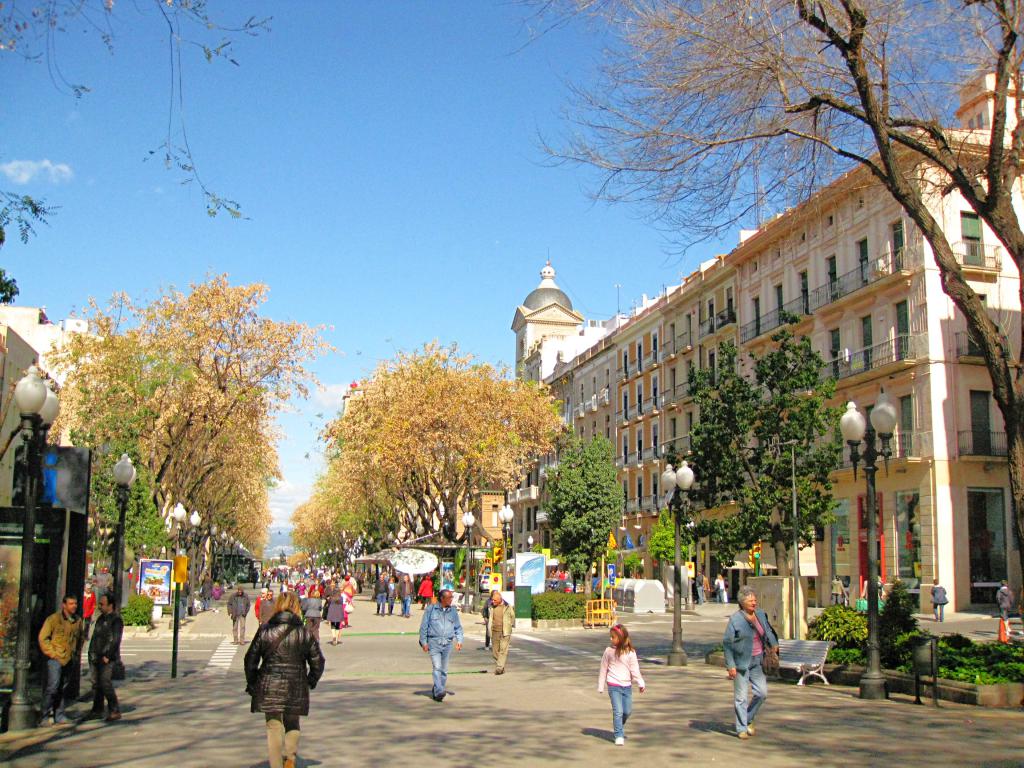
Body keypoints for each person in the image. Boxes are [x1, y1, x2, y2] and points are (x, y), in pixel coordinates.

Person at [245, 592, 325, 768]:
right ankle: (290, 757)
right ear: (297, 607)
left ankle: (276, 765)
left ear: (277, 606)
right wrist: (310, 680)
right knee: (292, 722)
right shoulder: (304, 633)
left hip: (269, 685)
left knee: (273, 727)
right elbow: (318, 661)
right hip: (295, 685)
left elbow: (250, 659)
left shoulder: (265, 630)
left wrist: (252, 682)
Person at [723, 586, 778, 740]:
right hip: (741, 663)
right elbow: (727, 643)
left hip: (758, 660)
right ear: (742, 602)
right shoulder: (736, 619)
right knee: (741, 698)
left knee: (762, 693)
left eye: (755, 599)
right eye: (750, 600)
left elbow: (767, 630)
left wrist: (773, 643)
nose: (754, 602)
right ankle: (741, 728)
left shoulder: (760, 614)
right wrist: (730, 665)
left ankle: (748, 718)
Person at [38, 594, 84, 726]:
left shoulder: (77, 620)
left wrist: (76, 653)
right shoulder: (53, 619)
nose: (74, 606)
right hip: (56, 658)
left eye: (75, 603)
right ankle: (44, 715)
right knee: (52, 687)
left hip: (69, 659)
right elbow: (43, 638)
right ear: (64, 605)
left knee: (61, 688)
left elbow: (80, 638)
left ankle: (59, 714)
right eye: (71, 603)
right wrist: (52, 653)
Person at [597, 624, 645, 746]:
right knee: (618, 711)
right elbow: (603, 668)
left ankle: (618, 725)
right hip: (613, 685)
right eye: (610, 637)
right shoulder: (608, 651)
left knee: (627, 711)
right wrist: (601, 685)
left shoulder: (630, 652)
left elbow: (635, 669)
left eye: (613, 637)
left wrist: (640, 682)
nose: (610, 639)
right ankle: (618, 734)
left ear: (621, 638)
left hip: (627, 686)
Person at [84, 593, 123, 722]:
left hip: (107, 657)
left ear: (110, 605)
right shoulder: (101, 618)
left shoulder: (116, 620)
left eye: (102, 604)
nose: (99, 606)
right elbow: (96, 636)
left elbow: (116, 639)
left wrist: (108, 655)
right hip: (95, 654)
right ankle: (97, 709)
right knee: (96, 684)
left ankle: (114, 709)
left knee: (105, 682)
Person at [419, 589, 463, 701]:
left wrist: (459, 640)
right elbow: (424, 627)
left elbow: (458, 627)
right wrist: (424, 642)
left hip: (447, 643)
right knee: (437, 667)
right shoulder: (431, 609)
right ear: (442, 598)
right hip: (434, 642)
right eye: (449, 597)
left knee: (444, 670)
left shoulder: (453, 611)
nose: (451, 599)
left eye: (452, 597)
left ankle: (438, 689)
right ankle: (439, 691)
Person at [488, 590, 514, 674]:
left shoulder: (507, 606)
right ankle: (501, 666)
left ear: (500, 599)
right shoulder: (491, 606)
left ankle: (499, 667)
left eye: (495, 600)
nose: (493, 601)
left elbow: (512, 617)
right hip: (494, 631)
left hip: (505, 632)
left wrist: (509, 625)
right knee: (495, 652)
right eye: (492, 600)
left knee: (503, 650)